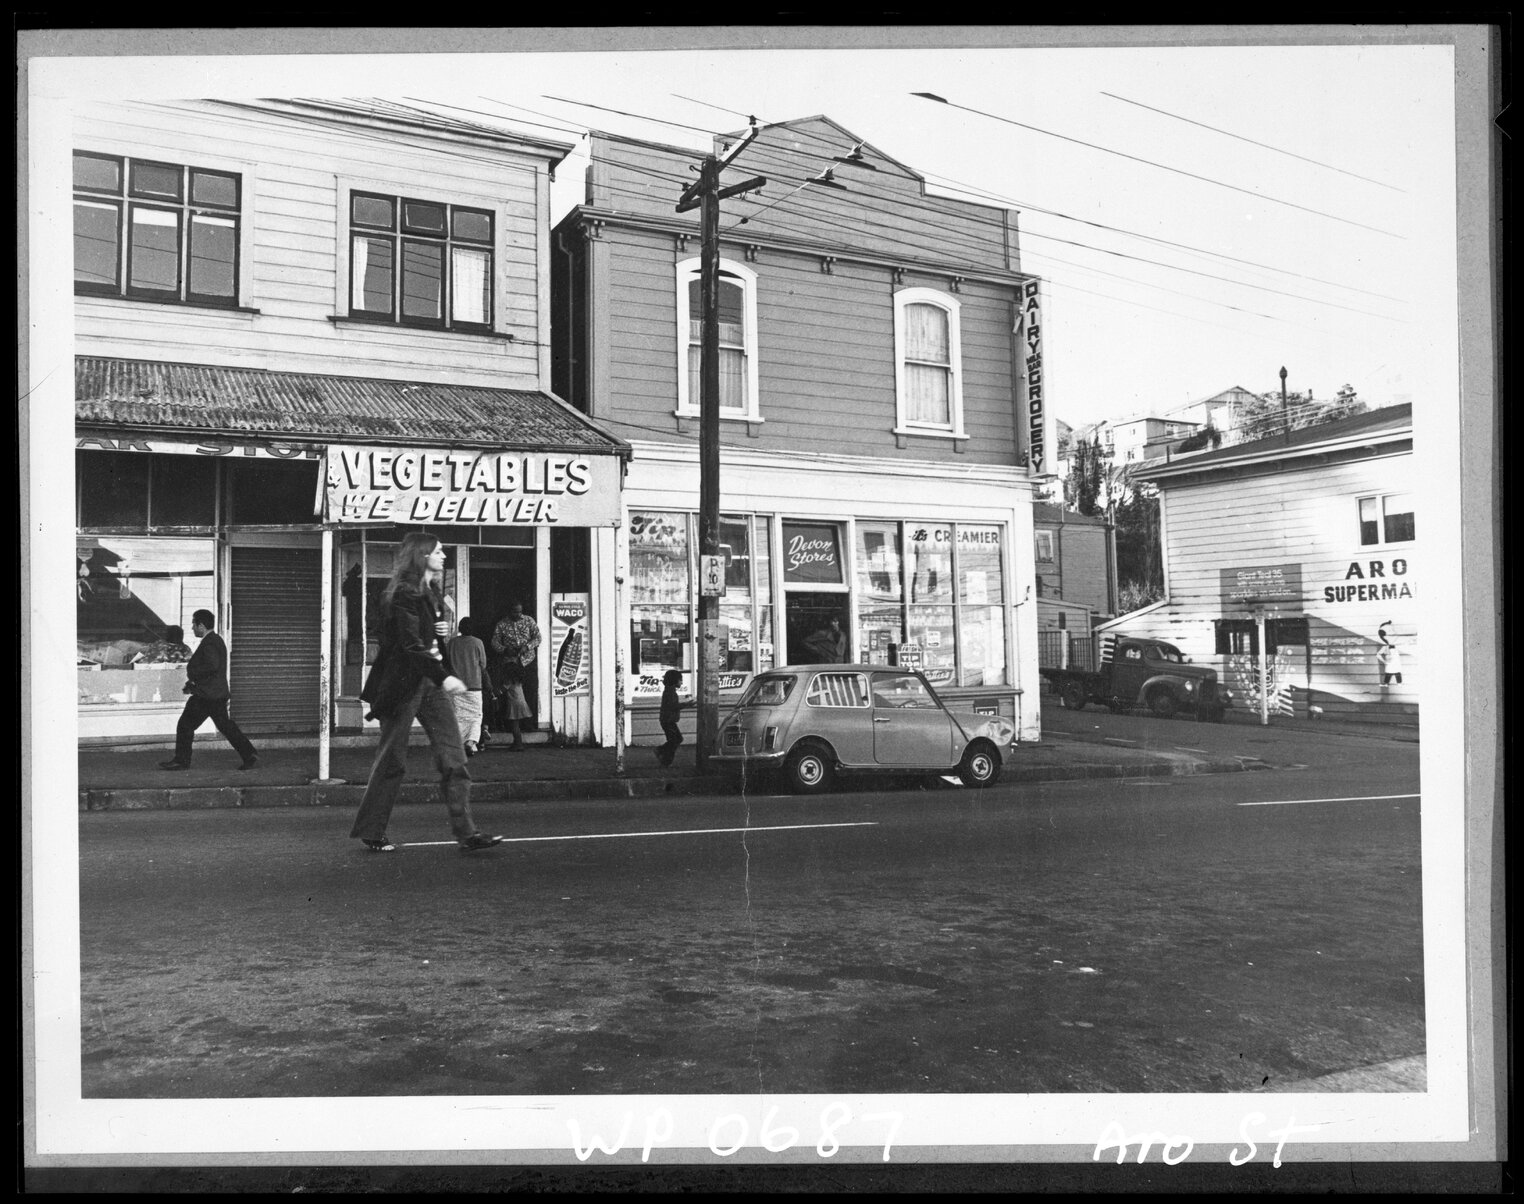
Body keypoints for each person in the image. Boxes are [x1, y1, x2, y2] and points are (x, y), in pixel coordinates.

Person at [349, 534, 503, 853]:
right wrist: (445, 677)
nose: (444, 555)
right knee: (393, 759)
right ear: (421, 555)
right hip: (403, 683)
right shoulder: (401, 594)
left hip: (430, 682)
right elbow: (408, 645)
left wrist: (439, 633)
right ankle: (372, 829)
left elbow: (422, 637)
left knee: (454, 757)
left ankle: (467, 833)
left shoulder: (431, 591)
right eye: (438, 551)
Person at [159, 610, 258, 771]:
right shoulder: (214, 640)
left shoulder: (210, 642)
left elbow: (211, 666)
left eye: (194, 624)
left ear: (202, 625)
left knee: (185, 725)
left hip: (207, 695)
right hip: (214, 694)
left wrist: (194, 676)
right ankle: (249, 754)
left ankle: (181, 761)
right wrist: (192, 683)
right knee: (225, 726)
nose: (192, 628)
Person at [492, 603, 542, 732]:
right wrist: (504, 650)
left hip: (527, 661)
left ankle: (529, 724)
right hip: (511, 664)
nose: (518, 614)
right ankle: (512, 726)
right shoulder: (502, 624)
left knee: (530, 691)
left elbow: (538, 638)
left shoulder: (529, 621)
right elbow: (494, 642)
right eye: (515, 612)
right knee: (512, 694)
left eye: (520, 612)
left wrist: (528, 646)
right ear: (509, 611)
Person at [447, 616, 492, 757]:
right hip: (474, 686)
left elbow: (446, 663)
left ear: (459, 628)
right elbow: (483, 665)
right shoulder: (478, 642)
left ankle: (460, 745)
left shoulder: (451, 643)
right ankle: (471, 743)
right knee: (475, 717)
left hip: (456, 686)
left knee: (459, 717)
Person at [656, 669, 694, 767]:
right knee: (675, 740)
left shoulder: (669, 691)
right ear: (674, 680)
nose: (681, 682)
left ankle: (664, 757)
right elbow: (673, 706)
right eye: (680, 680)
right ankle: (663, 756)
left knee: (675, 740)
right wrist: (687, 704)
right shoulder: (670, 692)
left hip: (668, 720)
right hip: (668, 721)